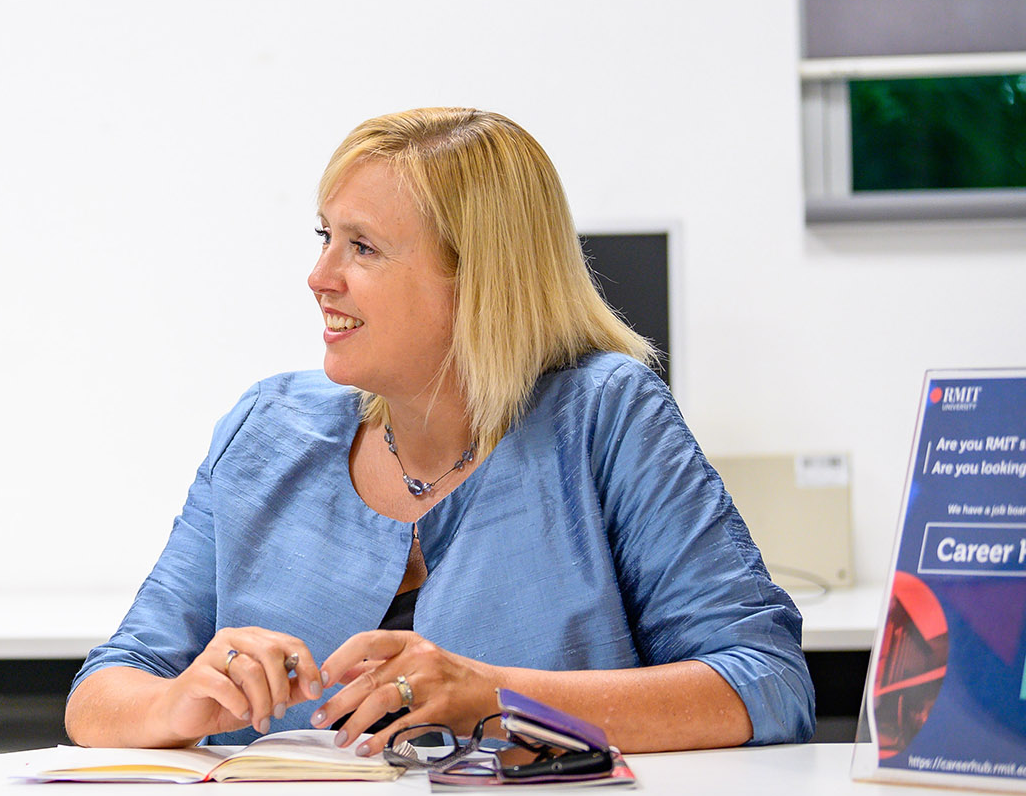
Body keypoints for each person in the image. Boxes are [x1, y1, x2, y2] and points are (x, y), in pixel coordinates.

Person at [65, 107, 814, 756]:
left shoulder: (605, 415)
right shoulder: (268, 428)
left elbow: (768, 682)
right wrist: (175, 703)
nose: (319, 275)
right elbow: (102, 689)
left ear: (479, 278)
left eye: (362, 247)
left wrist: (495, 694)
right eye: (325, 236)